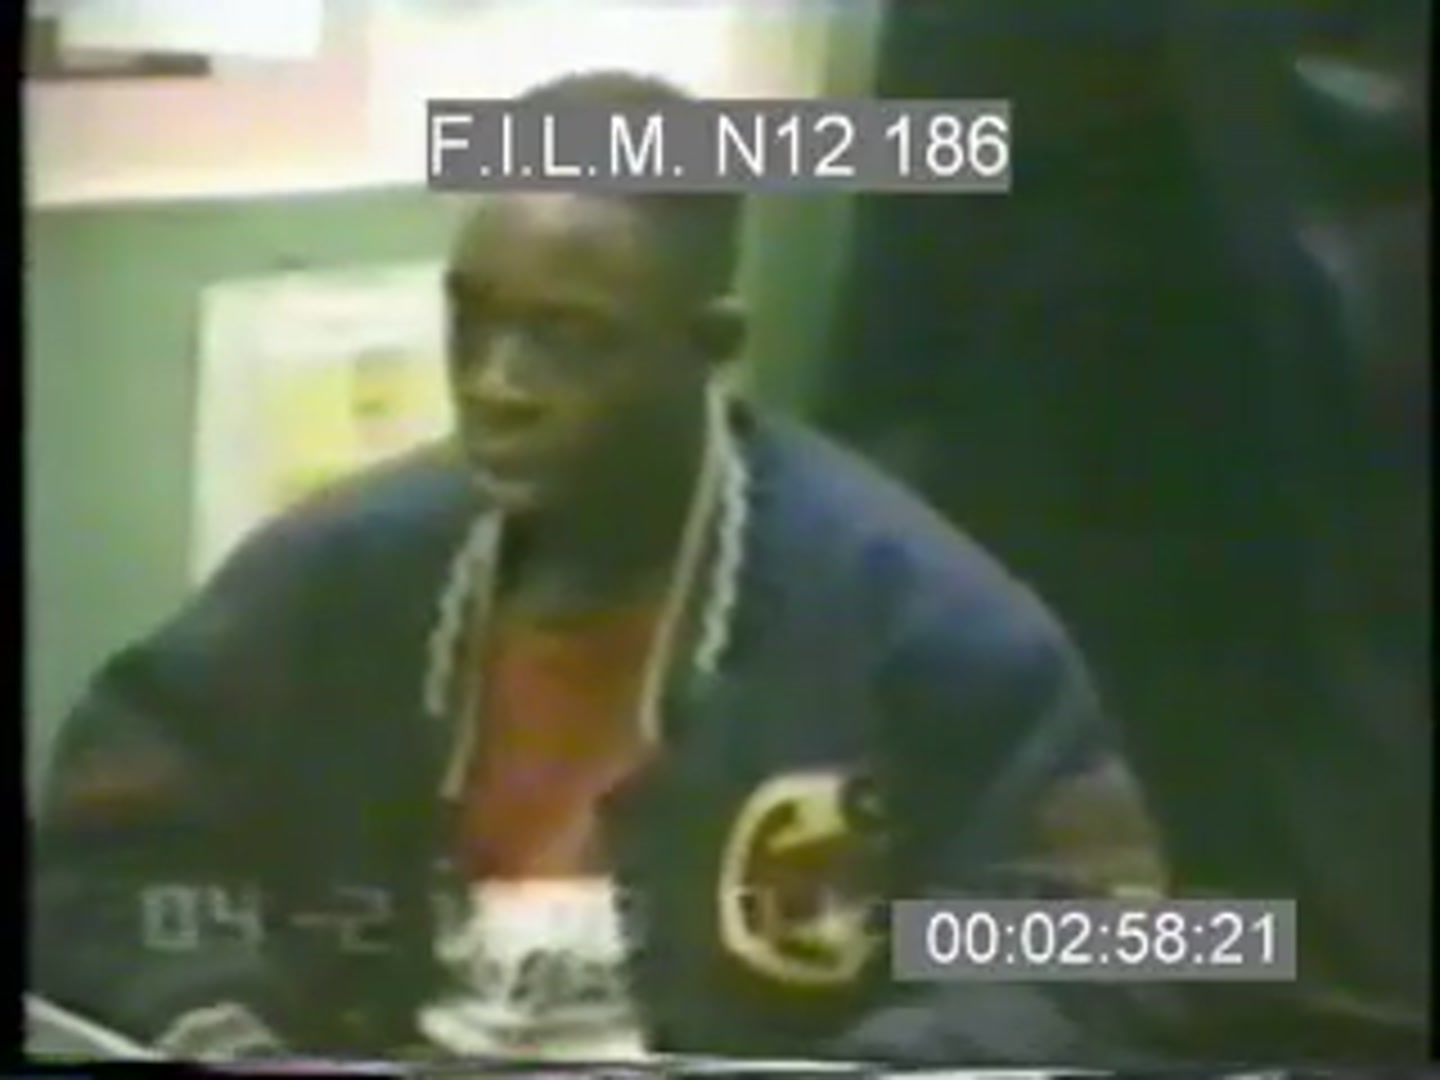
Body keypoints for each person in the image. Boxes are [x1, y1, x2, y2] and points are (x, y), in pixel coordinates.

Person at [30, 71, 1165, 1067]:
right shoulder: (338, 574)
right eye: (472, 324)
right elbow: (108, 854)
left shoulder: (916, 613)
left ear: (710, 350)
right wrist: (223, 1027)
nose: (497, 385)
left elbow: (1093, 946)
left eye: (569, 339)